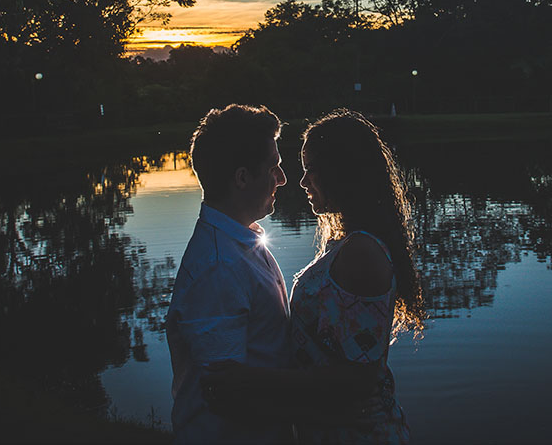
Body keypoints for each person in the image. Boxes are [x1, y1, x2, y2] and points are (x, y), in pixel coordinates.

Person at [201, 109, 425, 444]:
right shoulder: (348, 245)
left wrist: (250, 379)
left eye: (310, 170)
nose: (302, 182)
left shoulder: (363, 253)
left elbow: (359, 380)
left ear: (340, 171)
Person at [165, 104, 292, 443]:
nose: (282, 178)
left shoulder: (240, 240)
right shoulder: (218, 267)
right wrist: (331, 402)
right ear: (242, 178)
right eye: (273, 167)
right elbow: (226, 391)